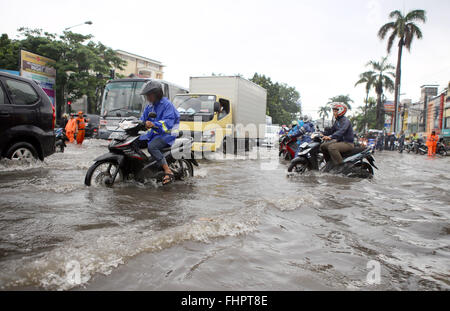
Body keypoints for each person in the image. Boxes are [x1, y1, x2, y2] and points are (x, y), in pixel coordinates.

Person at [139, 81, 180, 186]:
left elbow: (168, 122)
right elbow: (142, 119)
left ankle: (167, 170)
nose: (147, 98)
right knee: (136, 141)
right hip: (156, 132)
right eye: (146, 96)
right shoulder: (150, 106)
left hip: (168, 133)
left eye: (149, 95)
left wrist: (153, 124)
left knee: (152, 147)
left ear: (157, 94)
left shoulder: (167, 105)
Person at [321, 103, 354, 171]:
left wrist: (331, 137)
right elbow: (331, 130)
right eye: (333, 111)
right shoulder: (337, 121)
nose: (334, 112)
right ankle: (329, 163)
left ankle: (341, 166)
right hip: (340, 142)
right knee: (323, 146)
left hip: (347, 143)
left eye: (335, 111)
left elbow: (342, 131)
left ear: (341, 111)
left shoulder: (345, 121)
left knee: (332, 147)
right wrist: (321, 133)